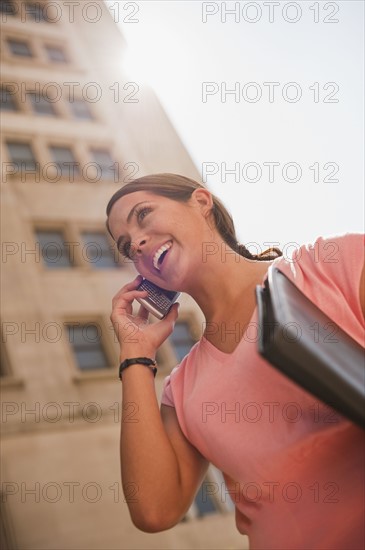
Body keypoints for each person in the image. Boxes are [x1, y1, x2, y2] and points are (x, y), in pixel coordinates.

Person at [106, 173, 365, 550]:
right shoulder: (182, 392)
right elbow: (154, 511)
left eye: (143, 215)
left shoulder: (332, 266)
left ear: (201, 202)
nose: (139, 243)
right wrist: (134, 355)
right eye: (127, 247)